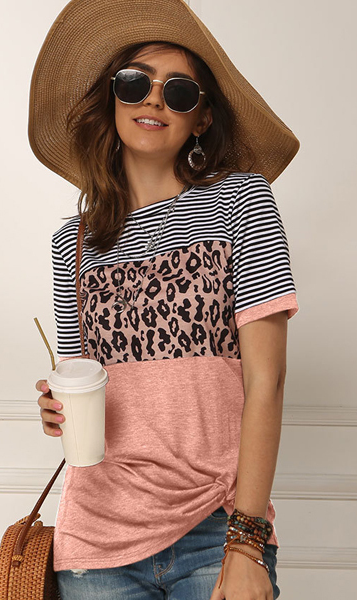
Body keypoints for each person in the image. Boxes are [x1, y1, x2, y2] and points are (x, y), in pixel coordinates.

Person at [30, 1, 300, 599]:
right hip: (97, 540)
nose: (153, 100)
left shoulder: (242, 204)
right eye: (134, 83)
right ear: (112, 99)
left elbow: (268, 380)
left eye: (178, 92)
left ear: (201, 118)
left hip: (217, 529)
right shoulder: (73, 241)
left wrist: (247, 541)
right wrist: (57, 409)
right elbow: (83, 382)